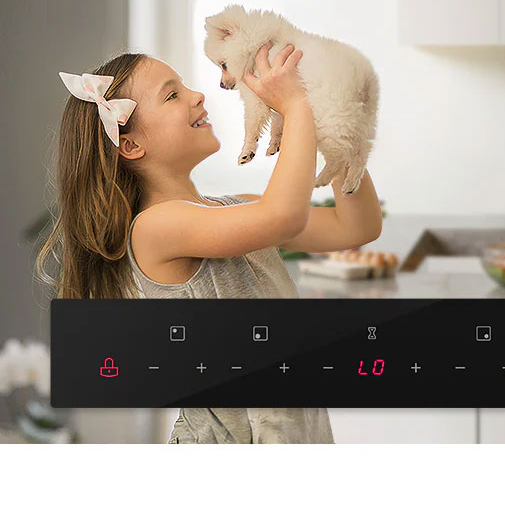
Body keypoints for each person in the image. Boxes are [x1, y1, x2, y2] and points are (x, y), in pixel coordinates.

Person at [36, 40, 383, 443]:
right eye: (171, 95)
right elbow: (283, 216)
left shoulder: (238, 209)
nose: (198, 95)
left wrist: (326, 122)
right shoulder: (155, 227)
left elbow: (355, 225)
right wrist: (296, 106)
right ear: (130, 145)